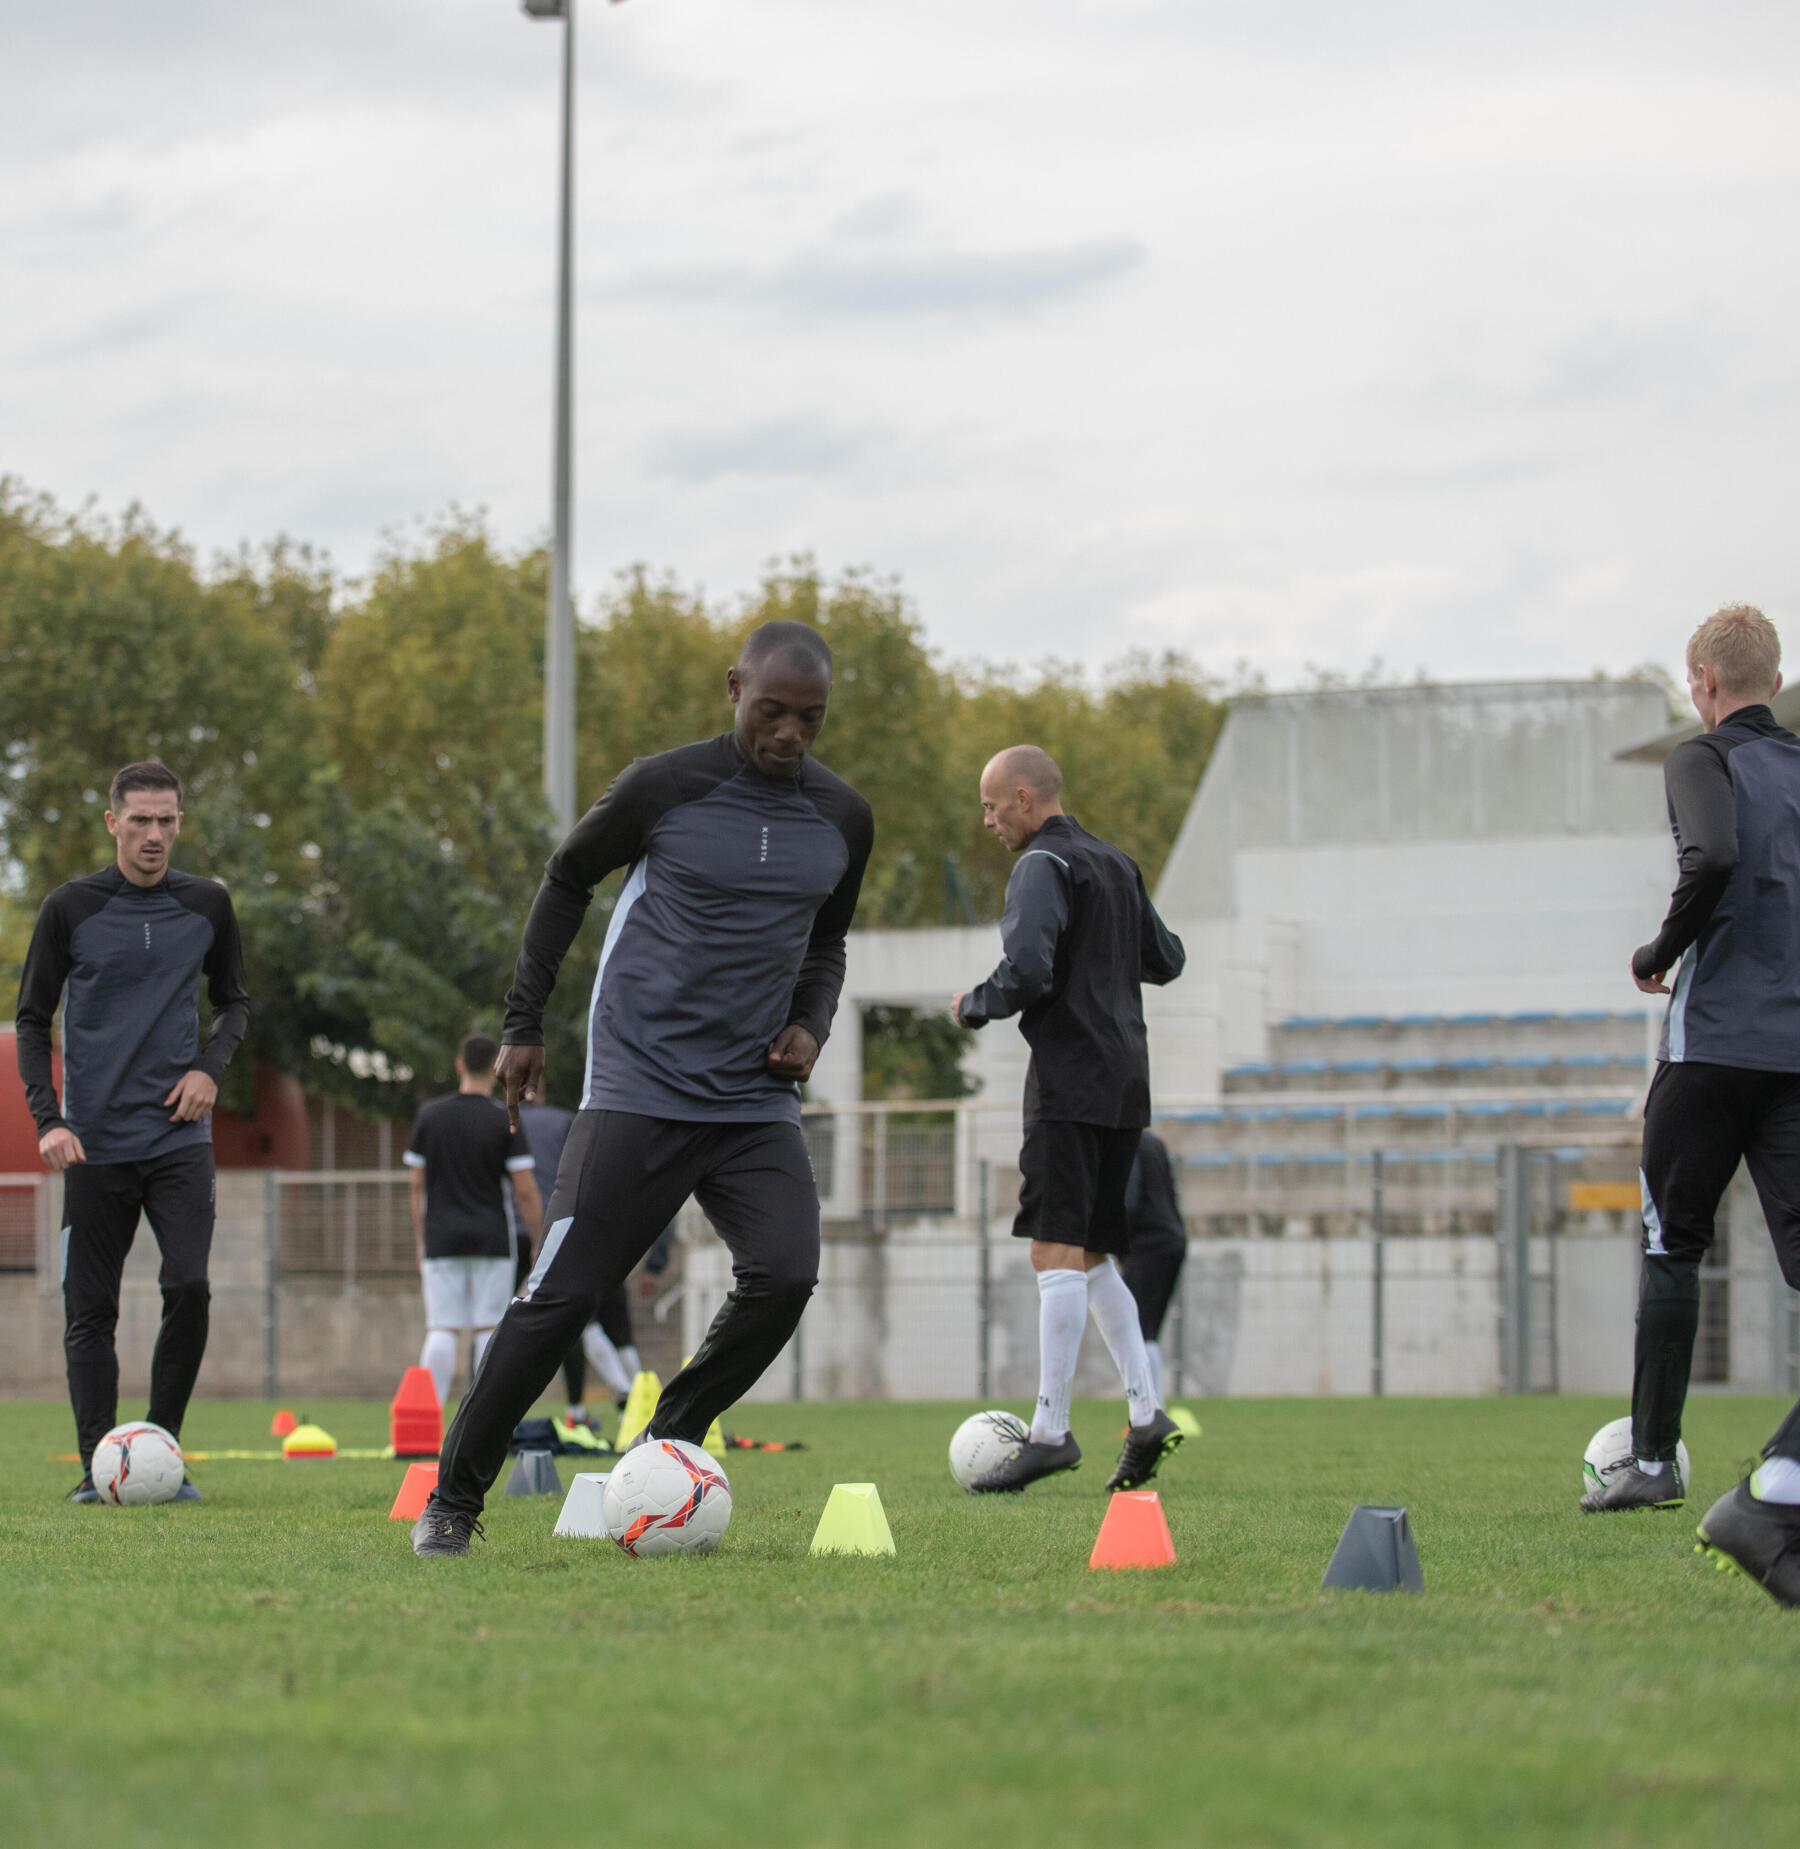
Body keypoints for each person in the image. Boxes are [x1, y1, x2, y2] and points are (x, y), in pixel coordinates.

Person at [412, 618, 873, 1555]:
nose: (789, 734)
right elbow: (567, 875)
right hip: (640, 1085)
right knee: (560, 1297)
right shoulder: (665, 785)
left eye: (810, 719)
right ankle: (453, 1499)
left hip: (751, 1102)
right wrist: (524, 1023)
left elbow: (827, 941)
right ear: (735, 687)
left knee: (786, 1273)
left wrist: (812, 1025)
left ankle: (672, 1439)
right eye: (773, 711)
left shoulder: (843, 817)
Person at [1584, 604, 1800, 1516]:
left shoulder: (1699, 757)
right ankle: (1784, 1468)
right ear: (1776, 681)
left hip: (1710, 1045)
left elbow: (1711, 853)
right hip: (1794, 1057)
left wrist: (1660, 949)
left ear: (1704, 682)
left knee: (1673, 1241)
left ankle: (1656, 1460)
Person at [951, 744, 1186, 1494]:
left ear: (1025, 797)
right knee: (1091, 1255)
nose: (988, 820)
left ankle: (1050, 1431)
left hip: (1070, 1080)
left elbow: (1028, 970)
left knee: (1052, 1250)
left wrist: (973, 1004)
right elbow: (1167, 957)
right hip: (1126, 1086)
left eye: (992, 806)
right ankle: (1146, 1414)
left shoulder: (1040, 867)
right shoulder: (1114, 863)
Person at [14, 761, 249, 1503]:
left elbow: (235, 1002)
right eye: (140, 820)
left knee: (190, 1284)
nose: (154, 834)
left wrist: (210, 1067)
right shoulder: (69, 909)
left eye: (167, 820)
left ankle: (160, 1450)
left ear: (181, 822)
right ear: (112, 821)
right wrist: (47, 1119)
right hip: (94, 1143)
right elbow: (30, 1019)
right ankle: (96, 1468)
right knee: (91, 1312)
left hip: (179, 1140)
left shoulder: (207, 905)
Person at [405, 1035, 542, 1409]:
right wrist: (538, 1241)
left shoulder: (430, 1115)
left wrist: (421, 1239)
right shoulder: (505, 1117)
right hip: (491, 1240)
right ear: (496, 1070)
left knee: (442, 1327)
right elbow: (526, 1190)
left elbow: (416, 1185)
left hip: (441, 1239)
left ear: (459, 1065)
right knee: (487, 1327)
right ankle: (483, 1420)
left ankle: (427, 1420)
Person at [1120, 1128, 1188, 1400]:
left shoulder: (1125, 1142)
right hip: (1172, 1239)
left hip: (1147, 1244)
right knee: (1145, 1331)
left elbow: (1129, 1200)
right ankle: (1151, 1412)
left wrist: (1113, 1240)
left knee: (1137, 1331)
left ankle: (1149, 1414)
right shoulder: (1152, 1141)